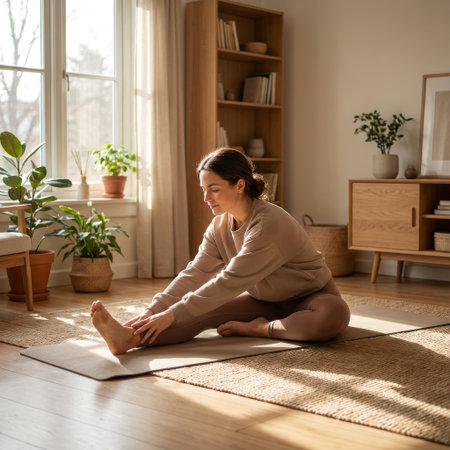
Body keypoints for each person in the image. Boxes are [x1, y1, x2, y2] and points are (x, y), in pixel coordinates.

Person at [91, 148, 350, 354]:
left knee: (333, 315)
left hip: (310, 298)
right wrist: (153, 311)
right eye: (204, 190)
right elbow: (195, 273)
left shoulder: (269, 224)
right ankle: (128, 339)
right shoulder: (219, 225)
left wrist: (171, 314)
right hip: (264, 301)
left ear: (239, 185)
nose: (206, 198)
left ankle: (259, 329)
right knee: (197, 310)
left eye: (214, 189)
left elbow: (230, 281)